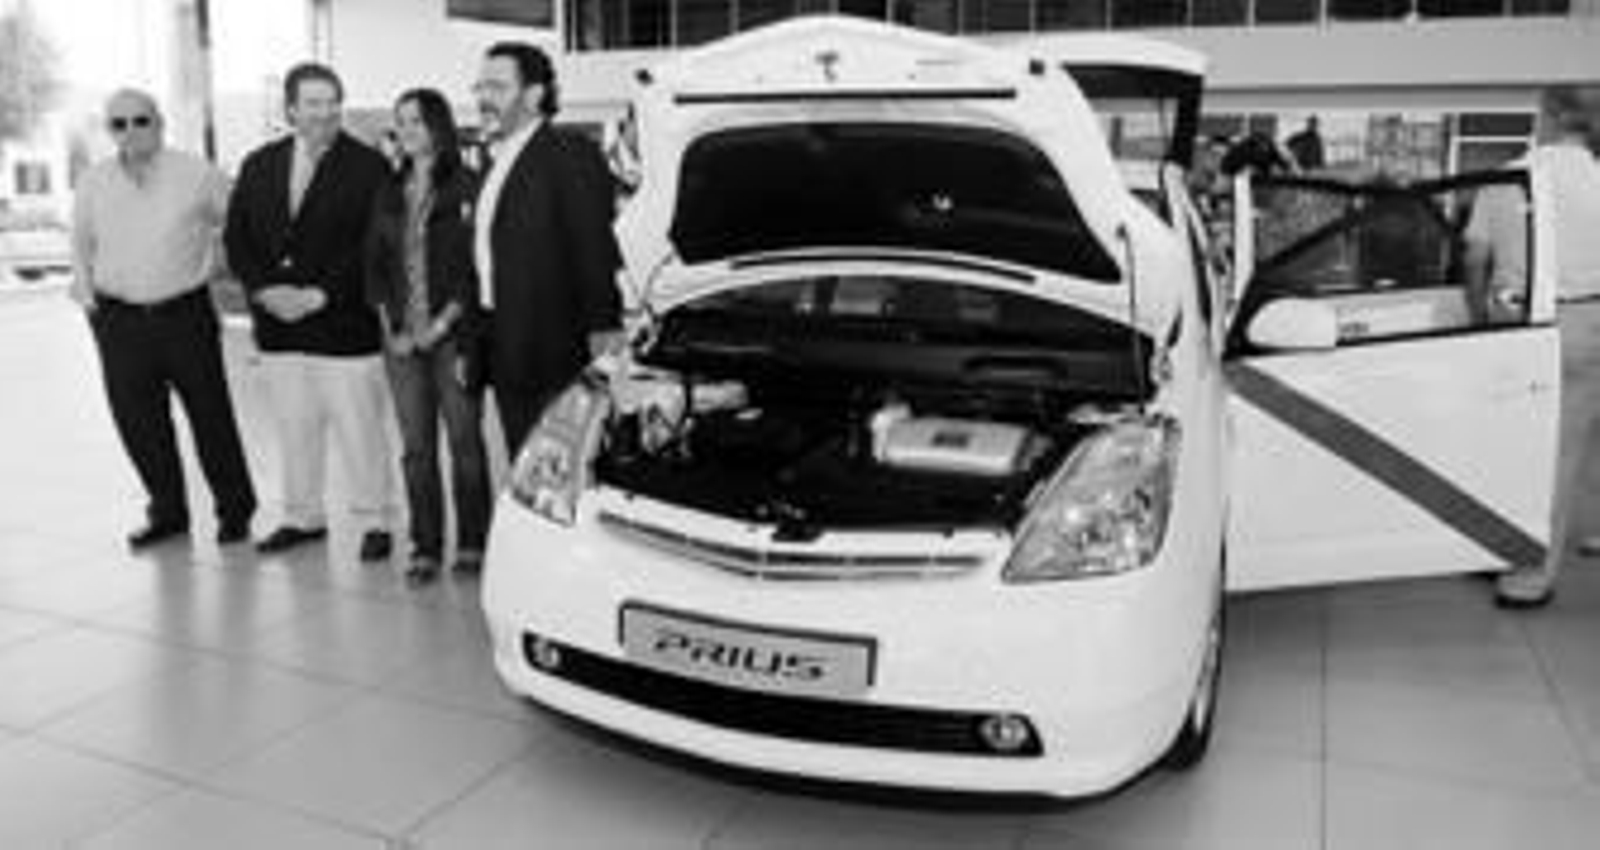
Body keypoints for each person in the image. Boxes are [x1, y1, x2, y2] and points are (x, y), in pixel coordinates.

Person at [69, 89, 257, 550]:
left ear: (159, 122)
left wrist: (220, 262)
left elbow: (242, 222)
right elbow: (81, 244)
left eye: (141, 120)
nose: (131, 131)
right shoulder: (93, 181)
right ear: (110, 131)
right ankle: (167, 512)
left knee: (210, 417)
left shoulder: (197, 174)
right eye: (119, 124)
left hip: (184, 316)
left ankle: (235, 510)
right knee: (139, 423)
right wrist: (90, 303)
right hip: (119, 321)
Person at [224, 62, 396, 561]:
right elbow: (238, 237)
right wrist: (263, 291)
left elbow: (373, 246)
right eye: (313, 103)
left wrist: (320, 295)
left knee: (359, 430)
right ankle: (303, 517)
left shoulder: (370, 167)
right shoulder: (259, 164)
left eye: (332, 102)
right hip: (278, 327)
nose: (325, 112)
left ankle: (376, 519)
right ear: (291, 110)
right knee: (295, 428)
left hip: (344, 327)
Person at [1463, 85, 1600, 608]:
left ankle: (1497, 551)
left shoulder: (1508, 178)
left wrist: (1478, 321)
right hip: (1585, 322)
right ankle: (1531, 574)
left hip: (1513, 321)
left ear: (1553, 117)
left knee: (1505, 444)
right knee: (1562, 455)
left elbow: (1474, 259)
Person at [471, 41, 624, 455]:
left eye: (497, 87)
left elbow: (593, 247)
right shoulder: (495, 159)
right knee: (521, 458)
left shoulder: (569, 153)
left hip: (554, 346)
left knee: (558, 465)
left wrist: (603, 332)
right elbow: (484, 257)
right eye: (480, 87)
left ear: (534, 94)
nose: (484, 98)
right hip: (503, 340)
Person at [364, 88, 490, 584]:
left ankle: (474, 542)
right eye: (401, 122)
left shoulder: (469, 186)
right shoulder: (387, 190)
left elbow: (474, 270)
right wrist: (392, 329)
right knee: (416, 449)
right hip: (400, 343)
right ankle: (425, 546)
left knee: (465, 443)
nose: (407, 131)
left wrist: (440, 325)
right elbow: (374, 267)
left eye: (416, 120)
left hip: (454, 336)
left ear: (438, 125)